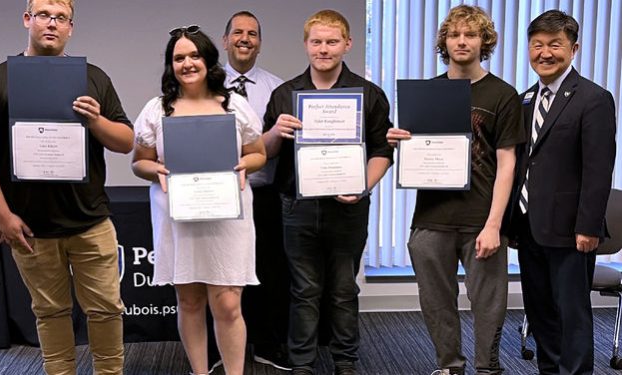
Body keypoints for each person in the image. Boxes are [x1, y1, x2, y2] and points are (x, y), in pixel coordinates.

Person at [0, 0, 134, 373]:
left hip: (90, 222)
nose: (52, 24)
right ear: (27, 20)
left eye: (61, 18)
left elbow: (125, 141)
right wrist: (2, 215)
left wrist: (95, 121)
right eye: (43, 15)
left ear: (70, 27)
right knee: (50, 313)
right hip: (30, 229)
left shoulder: (93, 78)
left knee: (106, 311)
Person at [387, 5, 524, 375]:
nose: (461, 41)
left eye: (470, 35)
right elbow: (420, 153)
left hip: (481, 217)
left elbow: (508, 163)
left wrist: (495, 224)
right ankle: (450, 366)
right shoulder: (427, 92)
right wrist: (400, 141)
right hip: (431, 218)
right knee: (435, 301)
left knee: (488, 303)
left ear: (485, 41)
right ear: (444, 42)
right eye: (454, 35)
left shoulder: (502, 94)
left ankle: (487, 368)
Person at [262, 10, 393, 375]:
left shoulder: (368, 94)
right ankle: (302, 363)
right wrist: (275, 131)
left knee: (342, 289)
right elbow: (265, 152)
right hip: (297, 206)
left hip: (349, 208)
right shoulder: (285, 95)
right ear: (306, 45)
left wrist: (363, 186)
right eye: (316, 42)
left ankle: (345, 361)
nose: (323, 49)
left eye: (332, 41)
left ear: (347, 44)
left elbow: (383, 150)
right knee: (303, 289)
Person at [131, 26, 266, 375]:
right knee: (189, 302)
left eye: (194, 55)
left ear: (208, 60)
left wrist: (242, 165)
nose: (187, 63)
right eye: (179, 58)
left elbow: (258, 154)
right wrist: (156, 170)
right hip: (178, 215)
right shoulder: (157, 108)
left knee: (228, 303)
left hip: (228, 217)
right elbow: (139, 161)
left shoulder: (234, 104)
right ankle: (200, 372)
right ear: (170, 64)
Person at [508, 9, 616, 375]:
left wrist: (588, 226)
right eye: (537, 45)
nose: (544, 53)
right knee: (540, 313)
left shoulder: (593, 99)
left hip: (572, 232)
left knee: (571, 316)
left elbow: (599, 170)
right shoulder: (525, 100)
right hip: (529, 227)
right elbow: (523, 163)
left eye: (555, 44)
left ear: (574, 49)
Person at [221, 10, 289, 371]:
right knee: (220, 275)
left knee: (268, 272)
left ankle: (267, 345)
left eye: (252, 34)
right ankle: (221, 351)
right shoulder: (207, 84)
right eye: (237, 33)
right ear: (225, 40)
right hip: (217, 197)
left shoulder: (277, 88)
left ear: (260, 43)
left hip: (264, 195)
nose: (244, 38)